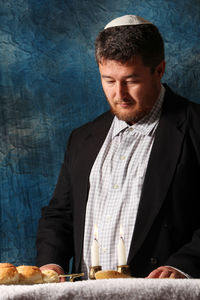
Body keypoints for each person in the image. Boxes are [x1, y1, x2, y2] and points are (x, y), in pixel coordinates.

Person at [36, 15, 200, 280]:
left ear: (159, 70)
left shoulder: (195, 127)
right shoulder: (82, 138)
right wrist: (51, 265)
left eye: (131, 80)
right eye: (109, 80)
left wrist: (183, 266)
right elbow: (59, 215)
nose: (119, 94)